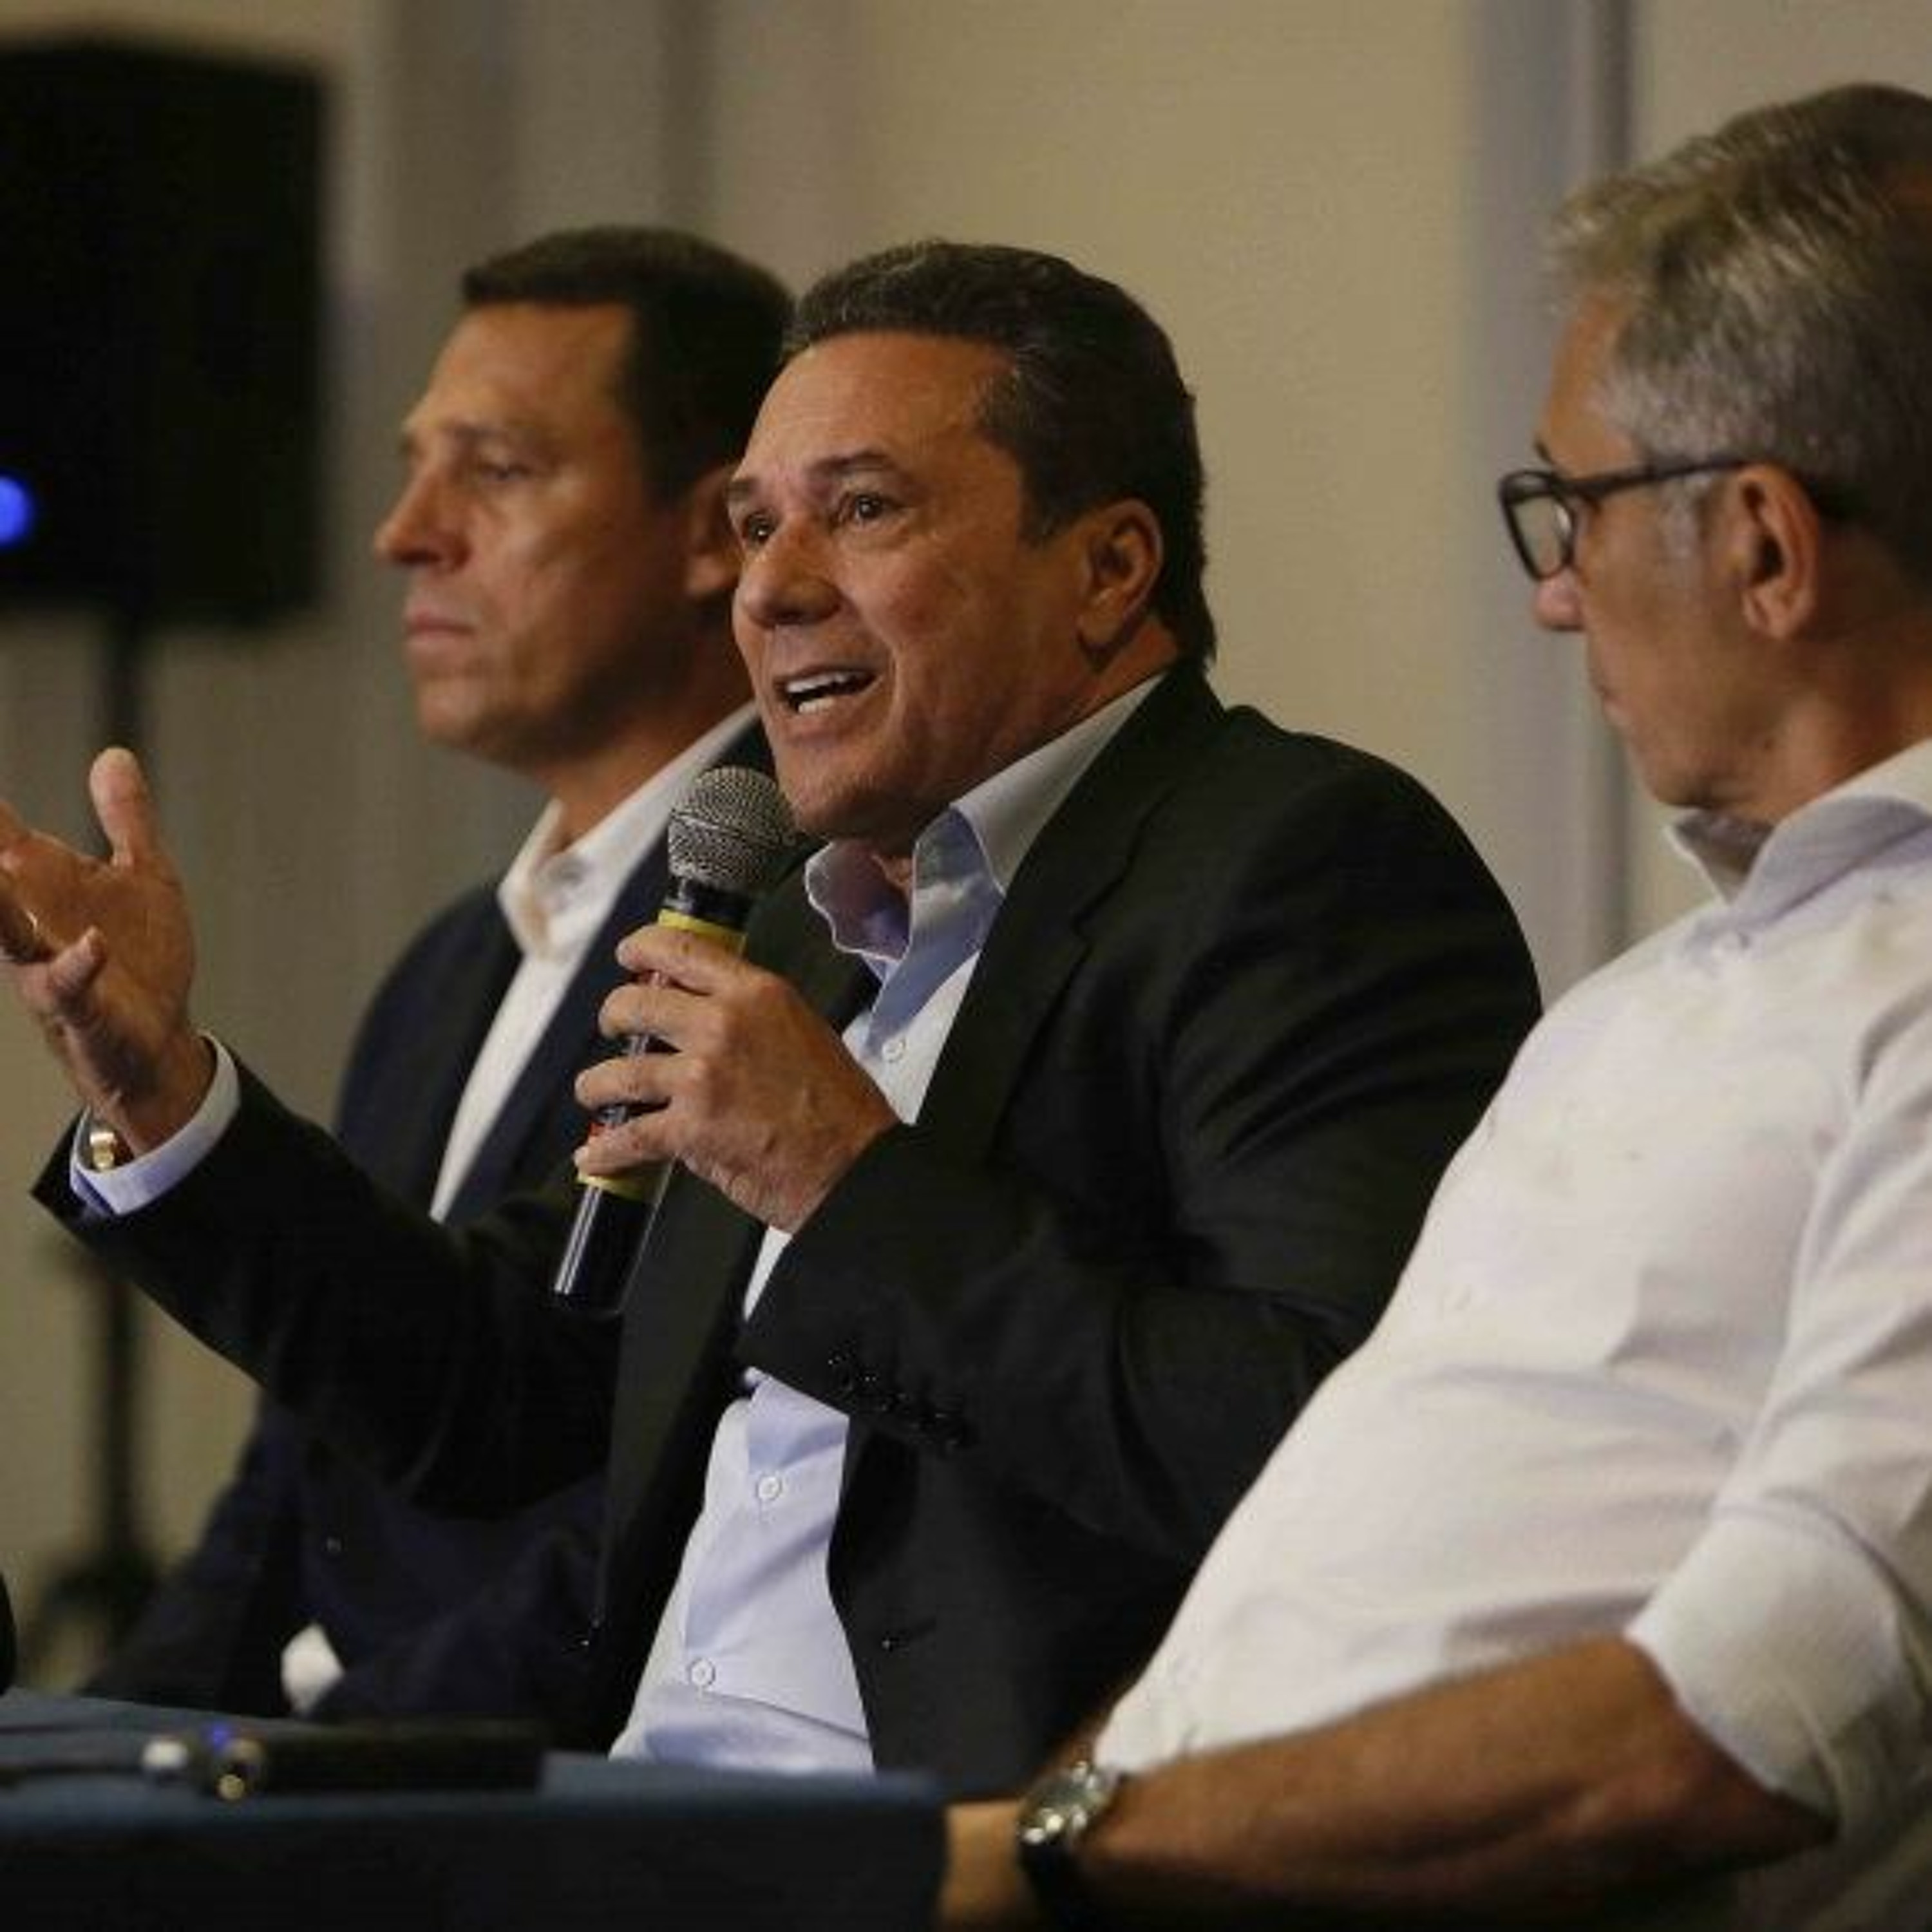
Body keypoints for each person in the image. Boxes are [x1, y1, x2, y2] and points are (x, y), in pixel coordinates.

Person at [0, 241, 1539, 1790]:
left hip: (944, 1842)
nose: (774, 587)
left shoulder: (1300, 867)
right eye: (755, 524)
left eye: (862, 511)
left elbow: (1314, 1445)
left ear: (1108, 568)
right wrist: (163, 1089)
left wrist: (844, 1184)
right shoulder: (803, 930)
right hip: (630, 1807)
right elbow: (500, 1381)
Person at [933, 83, 1932, 1929]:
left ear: (1766, 545)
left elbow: (1743, 1728)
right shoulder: (1639, 1010)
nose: (1555, 602)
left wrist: (1044, 1855)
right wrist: (1068, 1812)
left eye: (1572, 508)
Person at [85, 227, 788, 1728]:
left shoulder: (795, 935)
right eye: (417, 469)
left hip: (506, 1785)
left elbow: (647, 1514)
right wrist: (98, 1748)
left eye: (498, 471)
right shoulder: (450, 963)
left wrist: (297, 1776)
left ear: (716, 532)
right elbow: (297, 1485)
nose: (406, 534)